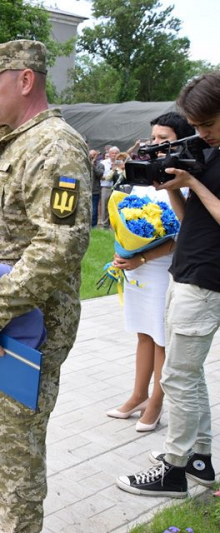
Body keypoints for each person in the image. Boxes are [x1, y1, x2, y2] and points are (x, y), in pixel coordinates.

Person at [0, 40, 91, 533]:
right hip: (8, 317)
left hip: (26, 323)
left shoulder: (55, 148)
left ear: (25, 80)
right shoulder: (20, 139)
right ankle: (9, 516)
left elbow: (59, 246)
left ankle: (18, 525)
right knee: (7, 435)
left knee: (17, 443)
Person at [117, 72, 220, 498]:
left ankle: (174, 471)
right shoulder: (212, 152)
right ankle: (199, 459)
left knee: (177, 378)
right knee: (188, 375)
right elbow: (193, 213)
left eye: (207, 125)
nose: (200, 133)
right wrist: (175, 187)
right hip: (187, 272)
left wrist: (194, 181)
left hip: (207, 282)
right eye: (194, 125)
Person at [106, 112, 194, 433]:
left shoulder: (185, 180)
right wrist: (122, 250)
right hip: (136, 268)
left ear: (180, 141)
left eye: (164, 139)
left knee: (161, 339)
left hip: (163, 270)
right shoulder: (142, 176)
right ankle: (138, 395)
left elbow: (179, 233)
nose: (156, 144)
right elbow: (129, 219)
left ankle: (156, 403)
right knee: (143, 332)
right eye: (154, 137)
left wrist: (142, 259)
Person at [98, 146, 120, 227]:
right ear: (109, 154)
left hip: (117, 188)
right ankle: (104, 224)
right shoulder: (103, 163)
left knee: (116, 206)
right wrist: (111, 172)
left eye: (116, 153)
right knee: (104, 206)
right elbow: (100, 176)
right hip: (106, 187)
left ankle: (114, 225)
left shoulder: (121, 163)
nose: (114, 155)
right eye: (112, 153)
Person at [89, 149, 103, 226]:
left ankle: (93, 226)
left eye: (93, 155)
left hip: (95, 190)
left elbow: (100, 174)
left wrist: (93, 166)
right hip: (86, 190)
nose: (92, 157)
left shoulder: (100, 165)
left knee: (94, 210)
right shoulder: (85, 164)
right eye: (90, 155)